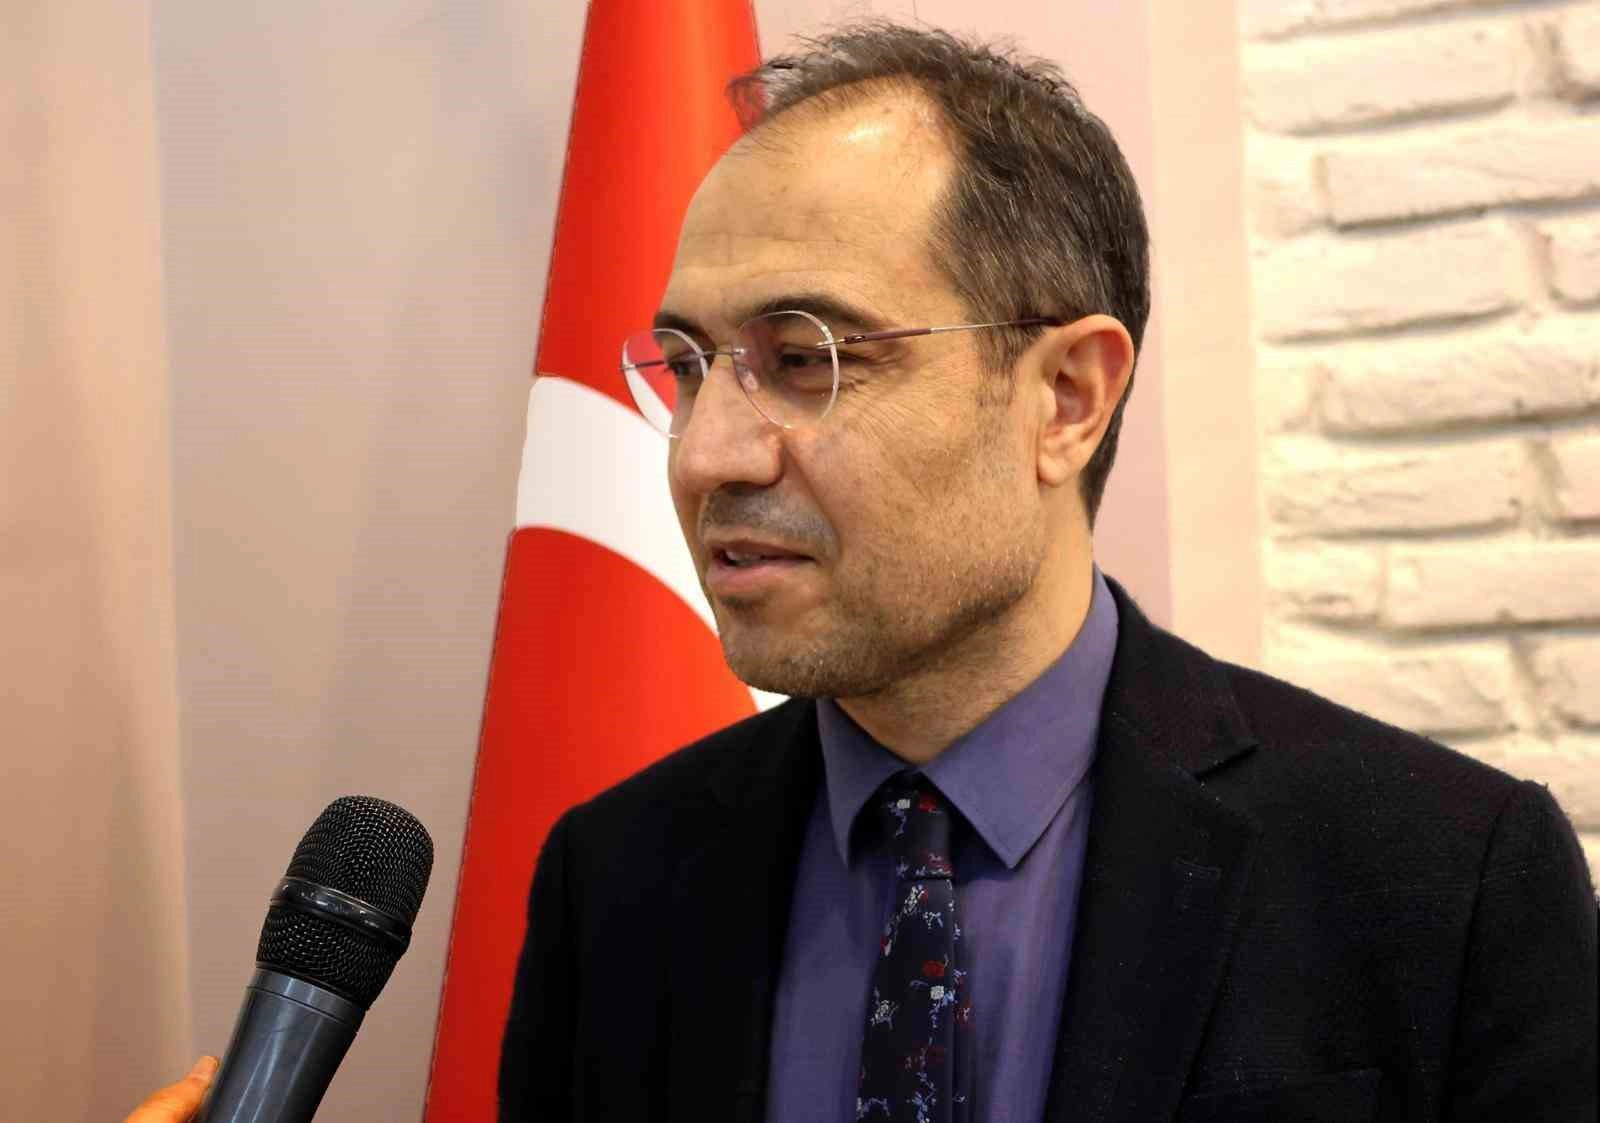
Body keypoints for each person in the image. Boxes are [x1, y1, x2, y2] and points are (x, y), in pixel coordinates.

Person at [125, 22, 1597, 1123]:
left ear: (1066, 397)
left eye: (806, 356)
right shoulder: (615, 879)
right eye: (687, 365)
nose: (707, 453)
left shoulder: (1439, 881)